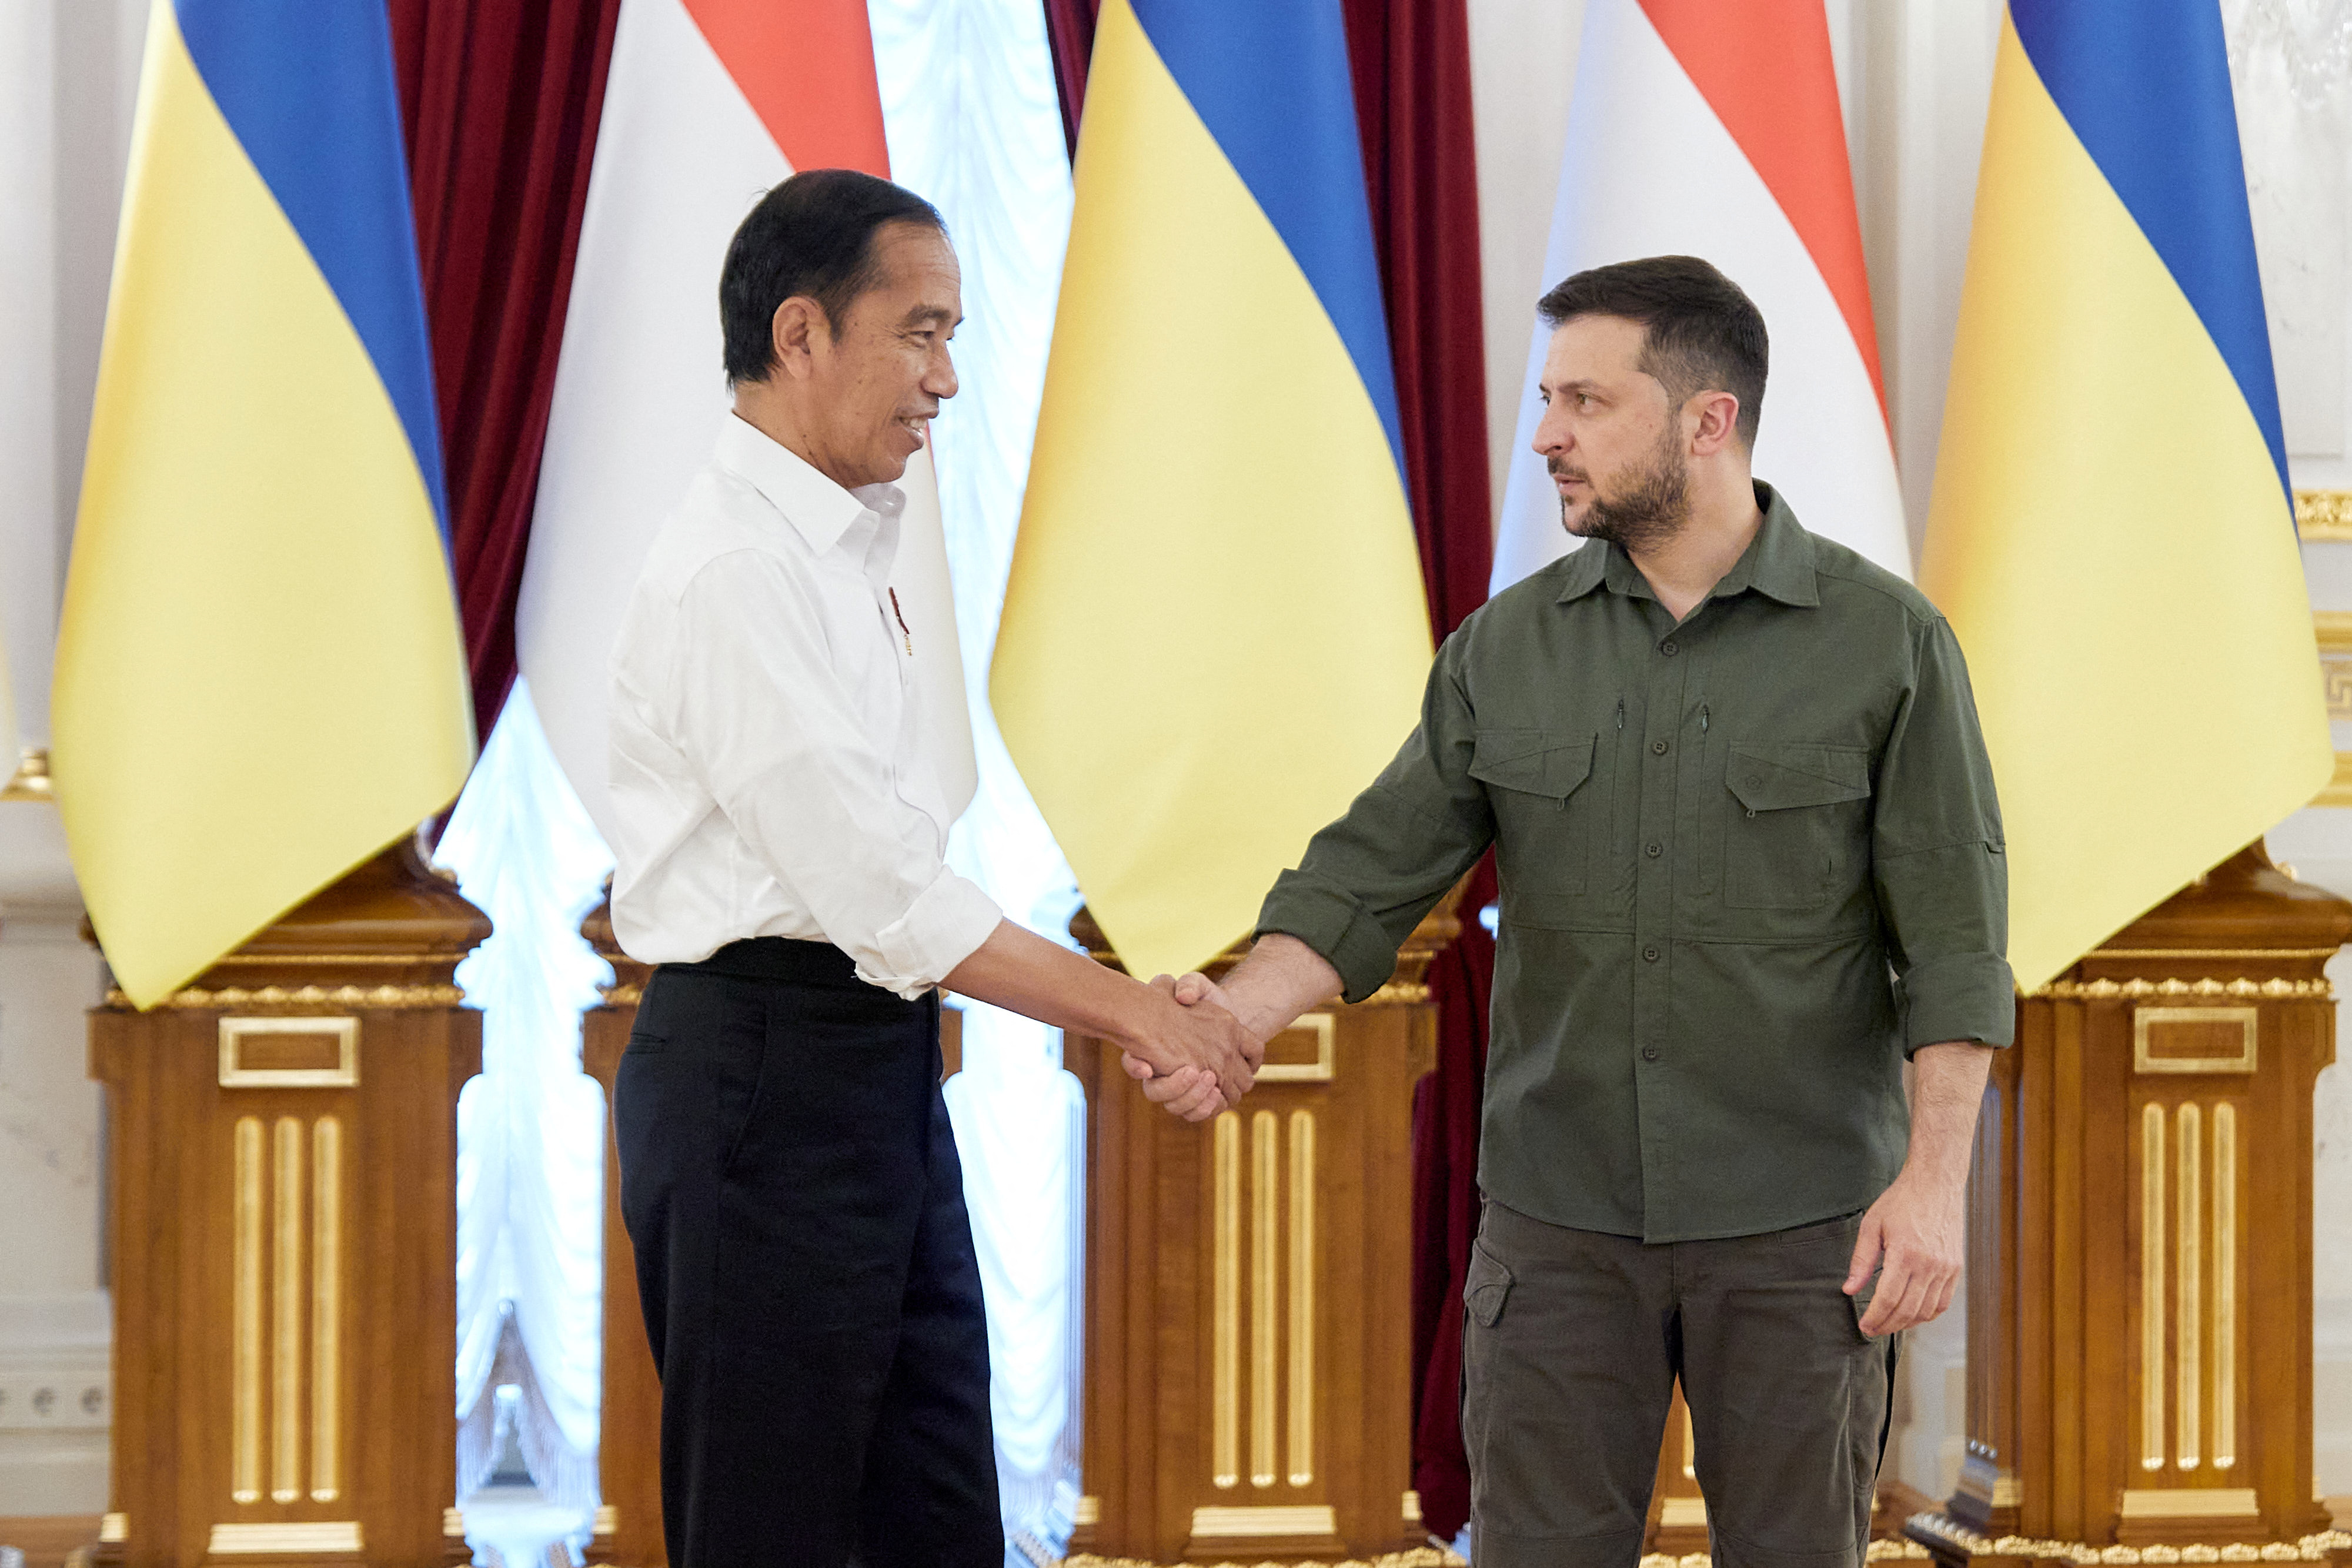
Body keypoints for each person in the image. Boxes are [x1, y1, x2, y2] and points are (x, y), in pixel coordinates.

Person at [1155, 255, 2013, 1568]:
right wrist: (1234, 1017)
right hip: (1555, 1233)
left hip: (1801, 1236)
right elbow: (1366, 874)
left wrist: (1934, 1185)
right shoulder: (1502, 649)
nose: (1546, 435)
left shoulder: (1887, 643)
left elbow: (1953, 945)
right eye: (1547, 400)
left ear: (1707, 419)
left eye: (1585, 401)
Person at [606, 168, 1257, 1568]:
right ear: (799, 333)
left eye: (950, 338)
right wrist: (1141, 1014)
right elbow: (882, 891)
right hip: (762, 1074)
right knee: (776, 1527)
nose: (945, 379)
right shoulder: (737, 571)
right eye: (919, 333)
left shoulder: (848, 542)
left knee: (935, 1503)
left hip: (870, 1063)